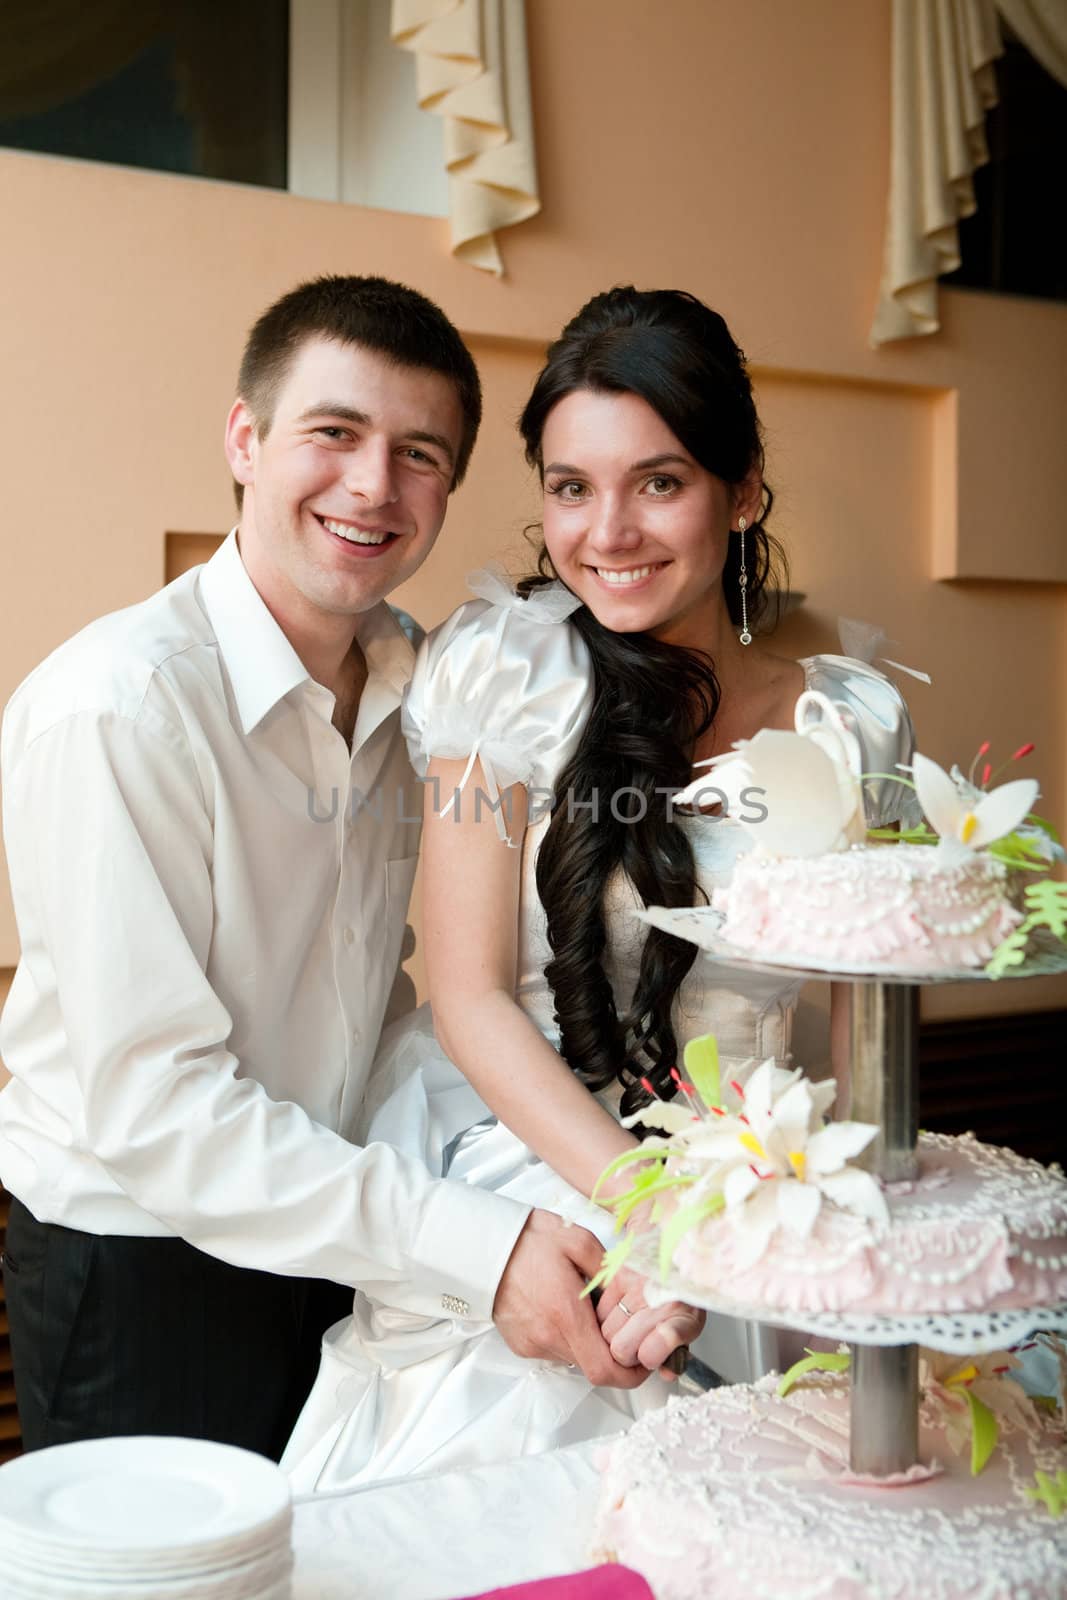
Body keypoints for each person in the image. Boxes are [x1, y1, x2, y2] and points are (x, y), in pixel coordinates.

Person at [0, 275, 652, 1463]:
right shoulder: (117, 708)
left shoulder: (425, 685)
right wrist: (475, 1241)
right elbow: (156, 1109)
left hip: (347, 1239)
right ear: (245, 439)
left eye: (419, 454)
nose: (372, 486)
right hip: (148, 1265)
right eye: (334, 434)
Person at [282, 286, 920, 1491]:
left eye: (658, 482)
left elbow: (856, 1031)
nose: (607, 531)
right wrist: (659, 1215)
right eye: (570, 487)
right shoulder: (501, 674)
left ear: (740, 492)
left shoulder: (849, 724)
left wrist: (749, 1226)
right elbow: (468, 996)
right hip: (520, 1144)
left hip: (762, 1183)